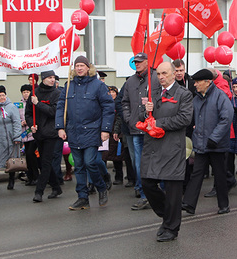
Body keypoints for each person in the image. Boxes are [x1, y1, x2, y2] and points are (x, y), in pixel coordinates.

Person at [142, 62, 194, 242]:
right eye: (158, 74)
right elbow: (147, 119)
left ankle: (172, 227)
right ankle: (167, 215)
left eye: (164, 73)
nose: (161, 77)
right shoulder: (154, 93)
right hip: (153, 146)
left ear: (174, 74)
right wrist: (146, 113)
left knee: (173, 189)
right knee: (147, 182)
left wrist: (159, 123)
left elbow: (185, 119)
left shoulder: (183, 94)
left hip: (173, 147)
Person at [56, 56, 114, 210]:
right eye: (77, 66)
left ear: (88, 68)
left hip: (92, 131)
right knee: (79, 166)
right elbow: (61, 107)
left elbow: (108, 107)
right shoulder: (68, 86)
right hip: (74, 131)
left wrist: (105, 129)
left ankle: (101, 188)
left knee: (90, 162)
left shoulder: (98, 86)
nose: (79, 68)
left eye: (82, 65)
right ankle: (82, 197)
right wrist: (60, 127)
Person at [182, 68, 234, 215]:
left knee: (219, 175)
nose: (195, 84)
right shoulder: (196, 98)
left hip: (216, 144)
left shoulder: (220, 97)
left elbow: (226, 118)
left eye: (198, 82)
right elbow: (192, 118)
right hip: (201, 144)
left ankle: (224, 205)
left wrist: (214, 138)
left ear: (207, 82)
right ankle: (189, 204)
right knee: (196, 174)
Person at [122, 52, 159, 210]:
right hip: (137, 129)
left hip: (153, 129)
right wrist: (130, 120)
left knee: (156, 162)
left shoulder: (156, 78)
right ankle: (144, 195)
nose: (137, 64)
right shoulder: (130, 81)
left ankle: (158, 191)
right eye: (135, 62)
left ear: (147, 62)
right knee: (138, 164)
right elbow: (124, 102)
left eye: (140, 61)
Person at [27, 70, 63, 202]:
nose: (52, 80)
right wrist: (32, 124)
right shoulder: (35, 93)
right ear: (43, 79)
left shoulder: (57, 93)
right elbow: (29, 113)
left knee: (46, 162)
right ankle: (56, 186)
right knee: (43, 162)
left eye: (53, 77)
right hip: (38, 133)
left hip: (51, 133)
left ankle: (39, 191)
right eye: (49, 78)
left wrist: (39, 104)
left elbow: (54, 112)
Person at [0, 85, 23, 189]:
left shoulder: (11, 107)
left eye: (3, 95)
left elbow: (17, 122)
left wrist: (17, 137)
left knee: (11, 161)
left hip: (10, 139)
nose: (2, 98)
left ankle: (11, 180)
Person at [19, 84, 38, 186]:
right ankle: (30, 177)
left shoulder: (33, 102)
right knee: (28, 156)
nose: (26, 94)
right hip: (24, 134)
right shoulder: (20, 105)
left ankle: (36, 176)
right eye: (24, 92)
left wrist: (30, 121)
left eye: (27, 92)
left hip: (32, 133)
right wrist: (21, 122)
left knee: (31, 154)